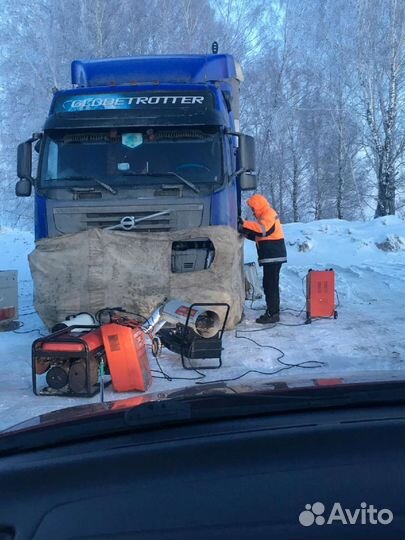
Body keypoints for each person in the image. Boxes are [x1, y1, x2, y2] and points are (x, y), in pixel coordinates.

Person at [239, 194, 287, 324]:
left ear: (258, 205)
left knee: (270, 285)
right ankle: (272, 311)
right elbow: (259, 236)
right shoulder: (264, 216)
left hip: (273, 255)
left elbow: (263, 231)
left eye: (253, 208)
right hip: (271, 256)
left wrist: (245, 224)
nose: (253, 211)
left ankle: (273, 313)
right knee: (269, 284)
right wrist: (246, 232)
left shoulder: (268, 214)